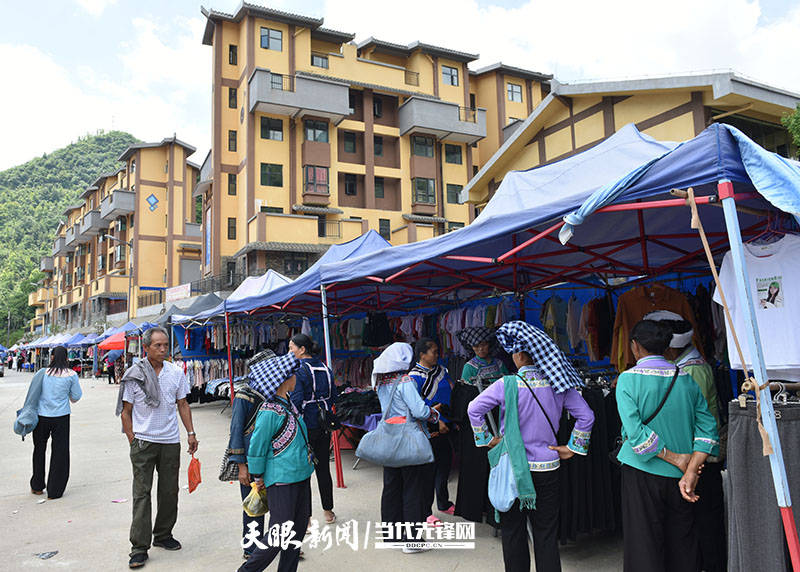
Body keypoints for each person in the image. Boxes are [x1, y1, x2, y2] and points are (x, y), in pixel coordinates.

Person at [468, 321, 595, 572]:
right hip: (548, 467)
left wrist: (486, 439)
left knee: (513, 532)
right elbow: (587, 416)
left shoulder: (506, 384)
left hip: (513, 470)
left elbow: (474, 408)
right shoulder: (559, 385)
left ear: (520, 355)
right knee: (546, 533)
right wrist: (572, 447)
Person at [615, 319, 719, 572]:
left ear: (635, 346)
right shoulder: (685, 378)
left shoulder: (627, 380)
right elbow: (708, 429)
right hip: (682, 478)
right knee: (683, 542)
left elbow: (637, 436)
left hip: (642, 473)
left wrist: (676, 459)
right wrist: (692, 468)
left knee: (644, 545)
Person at [644, 310, 726, 572]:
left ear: (669, 348)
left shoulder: (694, 371)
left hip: (702, 461)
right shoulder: (687, 366)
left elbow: (697, 420)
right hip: (692, 461)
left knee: (706, 527)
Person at [118, 326, 198, 570]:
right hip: (143, 442)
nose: (163, 349)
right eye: (158, 346)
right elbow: (126, 412)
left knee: (169, 491)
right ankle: (139, 547)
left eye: (165, 345)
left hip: (170, 441)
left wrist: (191, 433)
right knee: (142, 494)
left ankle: (163, 535)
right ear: (146, 348)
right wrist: (133, 438)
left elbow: (183, 404)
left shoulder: (176, 372)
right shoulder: (134, 374)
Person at [239, 352, 311, 572]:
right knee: (279, 532)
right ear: (284, 380)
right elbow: (257, 447)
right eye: (293, 374)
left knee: (296, 531)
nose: (296, 378)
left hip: (301, 475)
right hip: (282, 479)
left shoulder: (288, 404)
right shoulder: (270, 411)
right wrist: (258, 476)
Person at [372, 342, 441, 554]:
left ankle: (392, 535)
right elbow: (419, 411)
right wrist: (434, 414)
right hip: (408, 438)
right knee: (413, 488)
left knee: (391, 487)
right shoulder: (405, 381)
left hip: (389, 437)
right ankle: (412, 540)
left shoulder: (382, 382)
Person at [454, 327, 509, 523]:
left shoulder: (500, 364)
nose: (481, 349)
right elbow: (468, 394)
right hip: (480, 418)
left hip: (500, 415)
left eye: (483, 345)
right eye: (476, 346)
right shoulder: (469, 367)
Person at [226, 349, 275, 560]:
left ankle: (279, 543)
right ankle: (252, 548)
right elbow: (236, 430)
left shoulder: (279, 392)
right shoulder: (244, 394)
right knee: (254, 504)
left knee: (280, 504)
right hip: (250, 459)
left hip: (274, 458)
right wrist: (242, 466)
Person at [288, 333, 337, 525]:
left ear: (302, 350)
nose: (289, 352)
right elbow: (334, 396)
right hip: (324, 424)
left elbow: (297, 399)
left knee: (304, 471)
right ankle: (328, 512)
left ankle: (306, 518)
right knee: (323, 468)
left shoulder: (299, 370)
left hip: (305, 424)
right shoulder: (325, 368)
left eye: (291, 348)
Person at [407, 338, 454, 521]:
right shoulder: (414, 377)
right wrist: (438, 421)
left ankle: (443, 502)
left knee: (445, 465)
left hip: (447, 422)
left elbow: (449, 392)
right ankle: (426, 512)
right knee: (428, 471)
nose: (437, 354)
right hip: (429, 426)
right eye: (433, 351)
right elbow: (417, 404)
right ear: (422, 354)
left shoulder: (441, 371)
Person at [30, 345, 82, 499]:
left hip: (41, 416)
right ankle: (55, 491)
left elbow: (34, 393)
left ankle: (37, 486)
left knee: (39, 449)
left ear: (52, 357)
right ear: (66, 358)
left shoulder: (42, 373)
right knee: (60, 452)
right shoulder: (71, 375)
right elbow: (76, 397)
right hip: (61, 417)